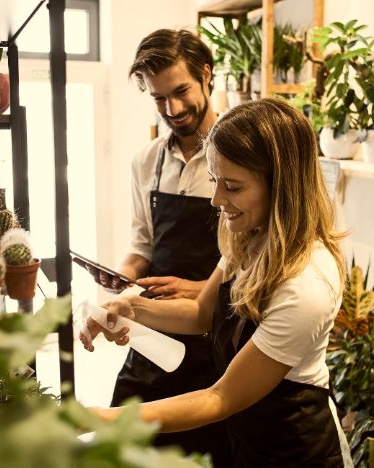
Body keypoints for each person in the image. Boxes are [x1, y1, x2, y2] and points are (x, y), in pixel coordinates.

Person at [81, 98, 354, 467]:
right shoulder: (251, 236)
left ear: (283, 186)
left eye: (233, 187)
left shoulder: (307, 285)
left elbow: (219, 398)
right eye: (214, 180)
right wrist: (130, 306)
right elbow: (200, 312)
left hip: (296, 450)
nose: (216, 199)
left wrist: (102, 417)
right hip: (248, 439)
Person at [86, 29, 229, 464]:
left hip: (219, 336)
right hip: (153, 336)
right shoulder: (145, 161)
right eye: (159, 99)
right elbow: (142, 247)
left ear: (206, 75)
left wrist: (200, 288)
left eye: (181, 91)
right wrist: (119, 283)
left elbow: (258, 259)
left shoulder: (241, 155)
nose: (174, 108)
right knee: (126, 448)